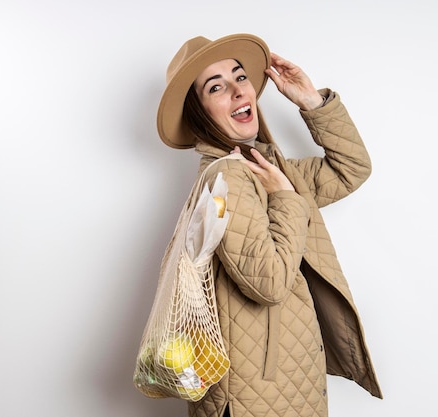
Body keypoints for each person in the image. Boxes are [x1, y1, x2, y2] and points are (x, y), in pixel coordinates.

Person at [155, 33, 382, 417]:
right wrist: (286, 199)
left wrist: (312, 103)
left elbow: (352, 169)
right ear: (200, 112)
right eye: (217, 87)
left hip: (278, 384)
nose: (238, 91)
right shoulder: (228, 178)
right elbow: (269, 283)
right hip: (255, 394)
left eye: (240, 77)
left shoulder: (266, 171)